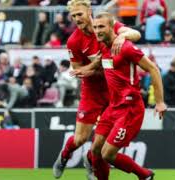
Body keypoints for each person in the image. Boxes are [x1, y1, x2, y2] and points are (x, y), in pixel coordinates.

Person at [52, 0, 141, 179]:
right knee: (80, 139)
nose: (77, 18)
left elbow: (136, 34)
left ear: (89, 11)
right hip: (91, 93)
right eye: (74, 16)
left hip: (113, 93)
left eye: (80, 14)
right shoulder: (74, 41)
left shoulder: (105, 25)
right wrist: (97, 64)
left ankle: (92, 161)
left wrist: (123, 36)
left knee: (100, 144)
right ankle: (64, 156)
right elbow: (79, 72)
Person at [75, 12, 166, 180]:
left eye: (101, 26)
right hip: (113, 107)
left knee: (107, 154)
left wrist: (160, 102)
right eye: (95, 27)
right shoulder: (103, 46)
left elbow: (153, 68)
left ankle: (144, 175)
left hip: (130, 108)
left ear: (112, 27)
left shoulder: (126, 47)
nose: (97, 30)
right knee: (95, 150)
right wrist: (86, 70)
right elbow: (101, 63)